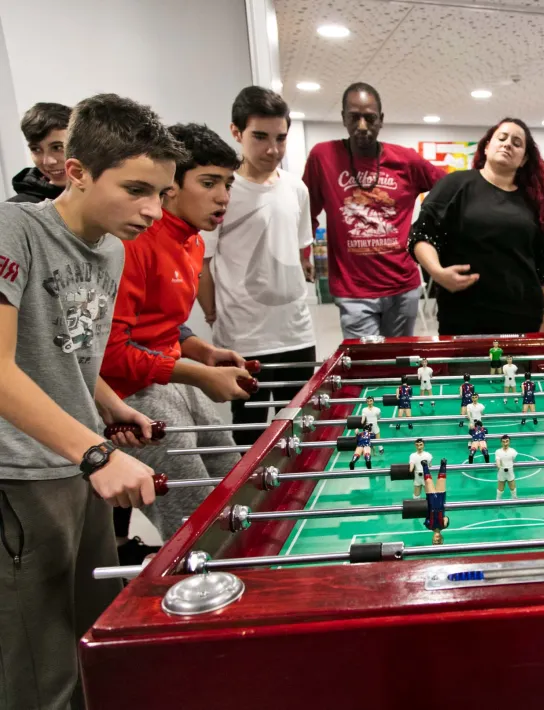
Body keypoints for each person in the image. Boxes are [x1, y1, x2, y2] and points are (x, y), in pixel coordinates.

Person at [0, 93, 183, 710]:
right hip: (24, 477)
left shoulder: (109, 247)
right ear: (76, 172)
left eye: (160, 192)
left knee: (94, 641)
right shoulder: (15, 229)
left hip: (80, 467)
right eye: (136, 189)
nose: (153, 210)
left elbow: (70, 350)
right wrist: (99, 455)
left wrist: (108, 406)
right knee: (39, 671)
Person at [101, 123, 251, 541]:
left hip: (169, 374)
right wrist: (196, 374)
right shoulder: (133, 243)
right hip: (129, 395)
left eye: (227, 183)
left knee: (232, 480)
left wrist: (200, 350)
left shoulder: (193, 242)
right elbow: (110, 353)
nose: (223, 196)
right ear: (171, 187)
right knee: (197, 522)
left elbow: (164, 321)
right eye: (208, 183)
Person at [199, 86, 315, 446]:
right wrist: (212, 311)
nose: (273, 149)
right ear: (236, 133)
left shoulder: (297, 189)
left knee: (297, 429)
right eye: (260, 137)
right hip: (243, 337)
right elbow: (203, 262)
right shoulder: (223, 191)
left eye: (281, 138)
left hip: (297, 333)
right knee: (249, 433)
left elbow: (301, 251)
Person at [303, 82, 445, 339]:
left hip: (402, 285)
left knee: (400, 365)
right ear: (343, 118)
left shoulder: (406, 160)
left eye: (369, 118)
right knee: (368, 365)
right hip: (353, 290)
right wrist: (304, 254)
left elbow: (449, 189)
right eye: (353, 117)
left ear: (381, 120)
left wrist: (431, 235)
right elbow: (306, 211)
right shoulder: (323, 156)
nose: (361, 126)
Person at [409, 118, 544, 335]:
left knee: (516, 370)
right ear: (487, 146)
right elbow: (422, 234)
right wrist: (438, 273)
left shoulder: (535, 203)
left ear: (524, 159)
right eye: (502, 138)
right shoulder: (455, 185)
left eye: (517, 143)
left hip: (522, 319)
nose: (508, 144)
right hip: (464, 316)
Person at [8, 102, 71, 204]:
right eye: (36, 149)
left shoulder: (102, 194)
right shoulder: (16, 210)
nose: (48, 162)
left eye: (57, 147)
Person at [423, 459, 449, 545]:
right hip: (441, 501)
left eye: (435, 541)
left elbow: (426, 516)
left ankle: (425, 466)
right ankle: (443, 465)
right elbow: (446, 518)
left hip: (431, 501)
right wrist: (446, 520)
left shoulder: (428, 526)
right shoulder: (444, 526)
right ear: (441, 538)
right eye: (438, 541)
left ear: (432, 538)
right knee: (441, 479)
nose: (436, 539)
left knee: (428, 481)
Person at [495, 434, 519, 499]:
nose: (505, 443)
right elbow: (497, 460)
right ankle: (498, 501)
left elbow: (514, 460)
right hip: (501, 472)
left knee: (513, 488)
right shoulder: (498, 451)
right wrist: (498, 465)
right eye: (503, 441)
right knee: (500, 489)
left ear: (509, 442)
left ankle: (514, 499)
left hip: (510, 472)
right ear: (501, 442)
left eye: (507, 441)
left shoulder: (513, 451)